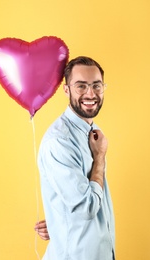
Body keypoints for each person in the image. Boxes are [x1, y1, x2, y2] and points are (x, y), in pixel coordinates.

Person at [35, 56, 115, 260]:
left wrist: (58, 221)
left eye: (96, 85)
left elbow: (78, 202)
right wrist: (99, 159)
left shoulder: (93, 132)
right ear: (67, 90)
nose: (91, 93)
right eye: (81, 86)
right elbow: (86, 208)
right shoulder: (59, 141)